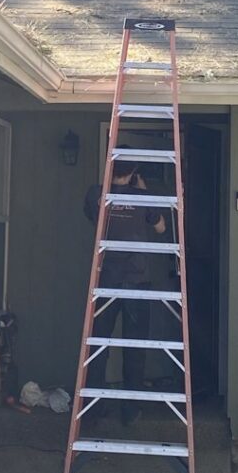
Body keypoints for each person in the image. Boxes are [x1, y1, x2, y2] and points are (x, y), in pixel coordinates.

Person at [83, 155, 166, 425]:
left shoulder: (97, 195)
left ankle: (93, 407)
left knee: (98, 345)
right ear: (133, 171)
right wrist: (142, 193)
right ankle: (131, 410)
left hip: (106, 279)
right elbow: (161, 227)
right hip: (136, 281)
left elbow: (94, 216)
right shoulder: (143, 197)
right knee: (135, 348)